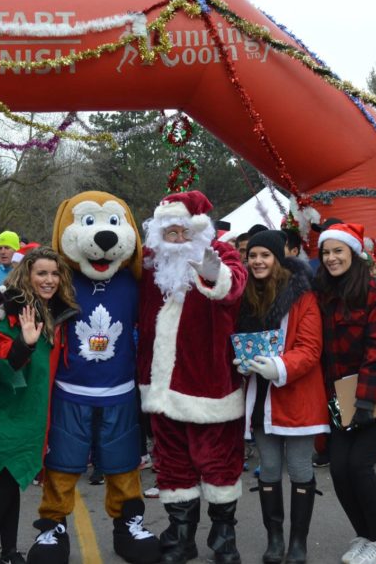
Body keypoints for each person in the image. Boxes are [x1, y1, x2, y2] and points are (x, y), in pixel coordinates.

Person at [25, 190, 160, 564]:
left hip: (120, 389)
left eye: (114, 224)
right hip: (70, 389)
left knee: (123, 462)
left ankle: (128, 522)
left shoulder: (134, 282)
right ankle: (53, 524)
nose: (103, 238)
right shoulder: (59, 280)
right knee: (63, 463)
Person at [137, 191, 248, 564]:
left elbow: (232, 286)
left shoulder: (220, 253)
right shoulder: (151, 266)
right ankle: (181, 536)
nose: (177, 239)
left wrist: (213, 275)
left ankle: (223, 537)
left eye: (184, 231)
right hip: (159, 386)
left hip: (208, 385)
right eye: (170, 232)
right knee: (171, 462)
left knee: (217, 460)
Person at [0, 247, 80, 564]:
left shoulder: (53, 309)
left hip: (31, 410)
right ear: (27, 274)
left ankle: (7, 550)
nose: (49, 280)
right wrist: (24, 344)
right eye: (41, 273)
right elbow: (1, 364)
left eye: (55, 273)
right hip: (8, 410)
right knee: (6, 479)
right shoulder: (12, 310)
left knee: (13, 479)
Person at [316, 223, 376, 564]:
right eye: (326, 252)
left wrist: (365, 400)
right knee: (339, 468)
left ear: (353, 253)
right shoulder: (324, 293)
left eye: (338, 251)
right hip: (341, 395)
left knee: (358, 465)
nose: (331, 258)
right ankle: (366, 535)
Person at [234, 230, 326, 564]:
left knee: (301, 467)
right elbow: (241, 340)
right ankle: (275, 540)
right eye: (253, 255)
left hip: (297, 395)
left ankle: (297, 542)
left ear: (278, 258)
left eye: (265, 256)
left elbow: (310, 348)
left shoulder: (303, 295)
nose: (257, 261)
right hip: (260, 398)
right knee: (268, 468)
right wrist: (242, 364)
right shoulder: (246, 295)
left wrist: (279, 366)